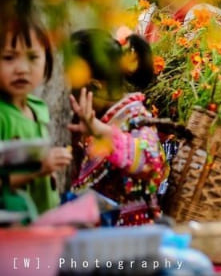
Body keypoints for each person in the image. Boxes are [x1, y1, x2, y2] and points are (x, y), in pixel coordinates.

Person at [67, 29, 168, 225]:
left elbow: (152, 161)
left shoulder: (135, 117)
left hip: (129, 240)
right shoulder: (105, 118)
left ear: (94, 88)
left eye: (72, 89)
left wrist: (99, 130)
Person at [0, 13, 72, 214]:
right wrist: (39, 169)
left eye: (33, 57)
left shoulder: (37, 107)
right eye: (8, 58)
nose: (22, 69)